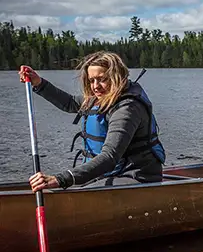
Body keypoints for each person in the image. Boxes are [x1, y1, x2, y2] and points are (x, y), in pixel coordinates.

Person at [19, 51, 166, 192]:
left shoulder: (127, 109)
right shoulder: (99, 99)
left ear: (118, 77)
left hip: (135, 175)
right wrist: (38, 83)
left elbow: (109, 157)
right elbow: (70, 103)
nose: (95, 86)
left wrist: (61, 179)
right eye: (91, 80)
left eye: (102, 79)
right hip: (109, 173)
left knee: (74, 195)